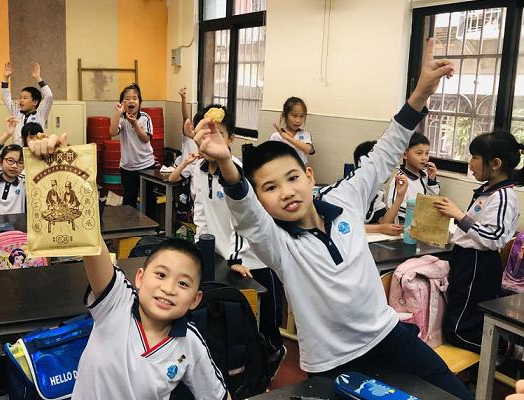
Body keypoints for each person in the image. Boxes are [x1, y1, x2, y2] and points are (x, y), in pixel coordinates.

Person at [193, 39, 472, 400]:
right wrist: (228, 165)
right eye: (270, 188)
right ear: (261, 199)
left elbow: (384, 154)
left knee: (454, 396)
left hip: (388, 336)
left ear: (309, 176)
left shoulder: (346, 198)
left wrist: (418, 95)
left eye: (292, 179)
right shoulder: (277, 243)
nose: (287, 192)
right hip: (331, 362)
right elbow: (245, 213)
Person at [26, 132, 231, 400]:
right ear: (140, 277)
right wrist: (64, 163)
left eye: (183, 283)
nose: (168, 288)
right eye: (160, 274)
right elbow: (91, 241)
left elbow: (217, 396)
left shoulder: (189, 344)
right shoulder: (116, 304)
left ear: (195, 299)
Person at [169, 104, 286, 378]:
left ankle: (270, 358)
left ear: (230, 139)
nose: (211, 141)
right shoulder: (198, 170)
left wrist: (235, 258)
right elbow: (201, 215)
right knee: (229, 319)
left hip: (252, 259)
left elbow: (242, 222)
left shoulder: (239, 173)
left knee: (264, 322)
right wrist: (202, 250)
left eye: (219, 134)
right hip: (221, 259)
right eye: (206, 134)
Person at [433, 132, 522, 355]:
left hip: (478, 265)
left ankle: (506, 351)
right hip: (466, 259)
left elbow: (493, 239)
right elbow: (477, 228)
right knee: (460, 319)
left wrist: (459, 216)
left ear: (495, 164)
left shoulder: (503, 197)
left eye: (474, 157)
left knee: (457, 330)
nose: (470, 163)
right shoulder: (488, 191)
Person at [109, 83, 156, 216]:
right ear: (122, 103)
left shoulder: (145, 118)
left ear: (139, 102)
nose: (131, 101)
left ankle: (153, 227)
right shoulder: (121, 119)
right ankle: (131, 228)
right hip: (127, 167)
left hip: (147, 165)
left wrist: (135, 124)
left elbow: (146, 139)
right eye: (127, 98)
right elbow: (112, 132)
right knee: (129, 199)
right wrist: (117, 114)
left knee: (149, 199)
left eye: (134, 98)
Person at [352, 140, 407, 236]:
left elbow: (385, 222)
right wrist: (379, 228)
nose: (388, 171)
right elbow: (346, 226)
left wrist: (400, 197)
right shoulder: (350, 190)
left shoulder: (376, 193)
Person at [386, 132, 440, 223]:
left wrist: (432, 180)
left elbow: (432, 199)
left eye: (427, 153)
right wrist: (421, 213)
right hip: (406, 224)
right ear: (405, 155)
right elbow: (394, 207)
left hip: (422, 221)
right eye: (419, 153)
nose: (424, 158)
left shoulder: (424, 175)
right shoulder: (400, 179)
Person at [1, 62, 53, 145]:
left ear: (35, 102)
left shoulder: (41, 114)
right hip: (19, 151)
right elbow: (5, 97)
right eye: (20, 97)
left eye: (25, 98)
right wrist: (5, 77)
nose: (21, 100)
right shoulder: (16, 112)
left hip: (35, 150)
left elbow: (49, 96)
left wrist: (38, 78)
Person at [269, 97, 314, 165]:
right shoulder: (276, 136)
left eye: (302, 116)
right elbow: (271, 157)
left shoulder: (305, 134)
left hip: (300, 171)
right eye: (294, 116)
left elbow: (309, 150)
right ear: (285, 115)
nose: (298, 120)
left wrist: (287, 138)